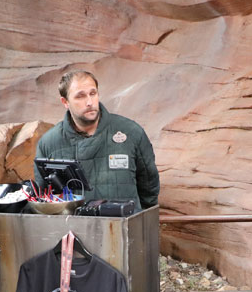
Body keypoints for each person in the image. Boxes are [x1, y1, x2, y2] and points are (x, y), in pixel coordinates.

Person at [35, 70, 159, 210]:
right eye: (80, 96)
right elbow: (44, 196)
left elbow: (149, 187)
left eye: (93, 93)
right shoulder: (49, 143)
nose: (89, 102)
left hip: (125, 227)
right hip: (74, 229)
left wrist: (141, 219)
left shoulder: (130, 132)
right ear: (65, 102)